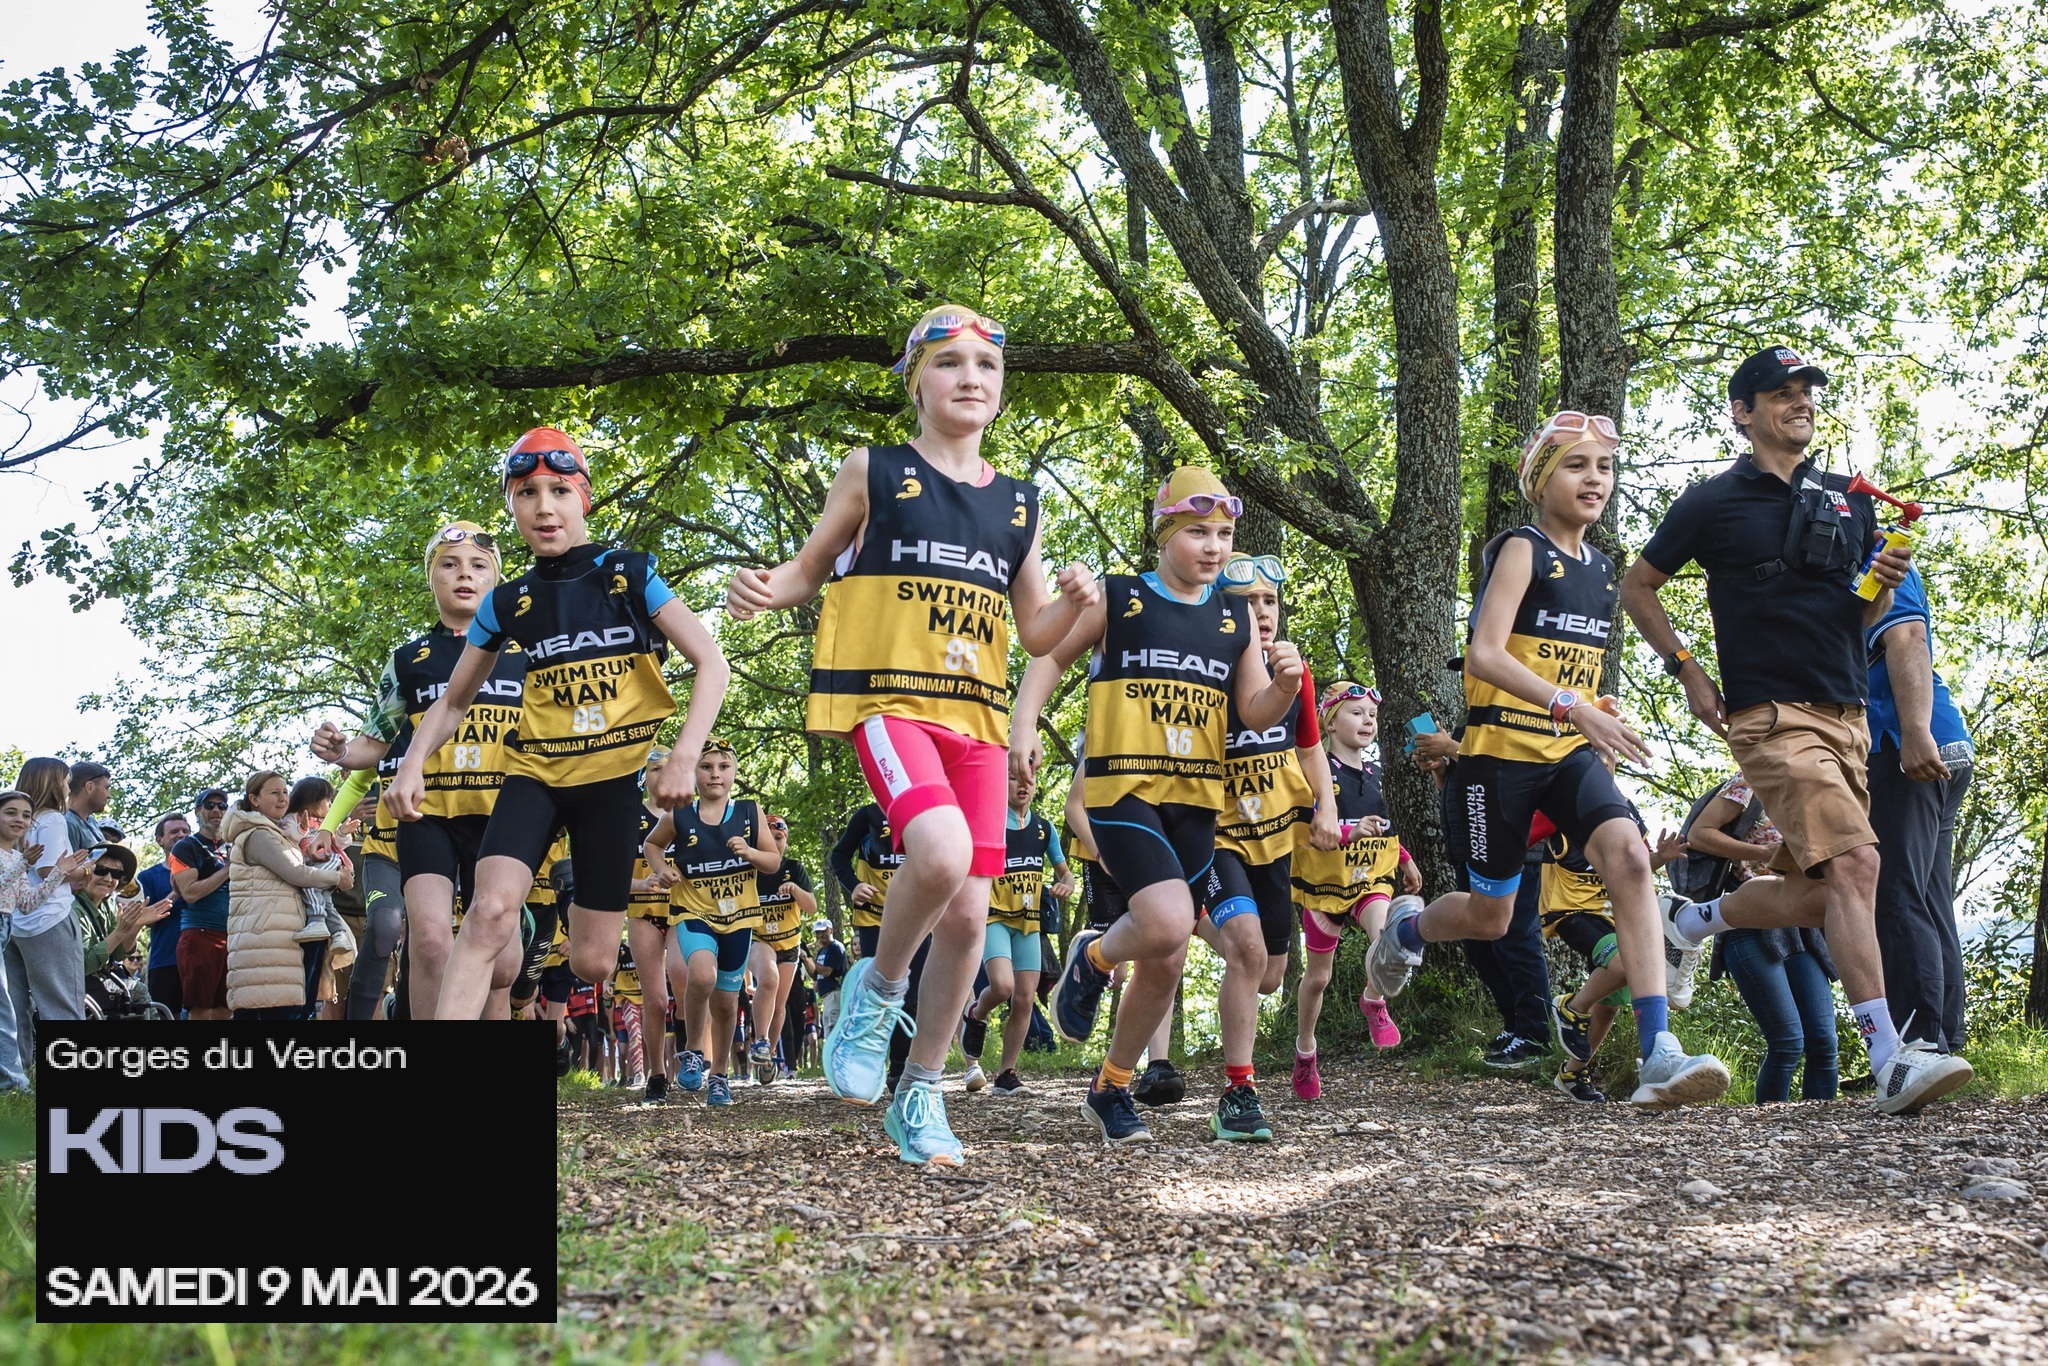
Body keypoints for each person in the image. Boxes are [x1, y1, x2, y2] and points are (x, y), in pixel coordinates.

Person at [726, 304, 1098, 1167]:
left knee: (970, 915)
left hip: (976, 721)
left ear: (1001, 392)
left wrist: (1073, 606)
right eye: (949, 363)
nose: (971, 377)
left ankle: (921, 1093)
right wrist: (762, 588)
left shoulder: (1020, 505)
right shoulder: (874, 469)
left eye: (987, 367)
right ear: (915, 383)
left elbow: (1036, 631)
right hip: (891, 705)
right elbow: (809, 569)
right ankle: (876, 986)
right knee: (934, 855)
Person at [1620, 348, 1970, 1114]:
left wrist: (1882, 577)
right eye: (1780, 394)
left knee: (1822, 897)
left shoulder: (1848, 499)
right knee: (1860, 866)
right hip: (1770, 715)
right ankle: (1890, 1060)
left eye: (1807, 392)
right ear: (1742, 412)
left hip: (1846, 717)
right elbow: (1637, 586)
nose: (1800, 403)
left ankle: (1690, 920)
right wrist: (1687, 668)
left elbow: (1864, 614)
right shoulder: (1713, 501)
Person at [1367, 415, 1730, 1108]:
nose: (1595, 479)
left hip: (1566, 755)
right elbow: (1485, 654)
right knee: (1490, 917)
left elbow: (1572, 671)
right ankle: (1406, 929)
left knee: (1626, 856)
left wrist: (1598, 711)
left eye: (1605, 468)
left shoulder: (1601, 572)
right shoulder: (1521, 550)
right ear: (1541, 480)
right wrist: (1574, 705)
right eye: (1576, 466)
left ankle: (1658, 1051)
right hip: (1498, 759)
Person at [387, 431, 730, 1018]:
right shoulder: (506, 602)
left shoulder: (628, 574)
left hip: (610, 781)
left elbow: (711, 662)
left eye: (558, 491)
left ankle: (553, 918)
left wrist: (682, 756)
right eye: (526, 493)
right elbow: (451, 702)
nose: (544, 507)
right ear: (512, 506)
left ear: (584, 499)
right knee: (488, 912)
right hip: (535, 774)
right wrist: (412, 763)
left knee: (593, 962)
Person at [1015, 467, 1303, 1144]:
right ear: (1165, 530)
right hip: (1124, 791)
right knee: (1170, 923)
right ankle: (1093, 961)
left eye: (1225, 533)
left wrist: (1286, 686)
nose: (1213, 546)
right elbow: (1049, 659)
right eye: (1198, 531)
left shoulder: (1234, 618)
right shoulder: (1120, 597)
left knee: (1168, 955)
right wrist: (1025, 726)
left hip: (1195, 804)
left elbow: (1255, 709)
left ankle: (1111, 1086)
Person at [315, 520, 531, 1019]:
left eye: (479, 567)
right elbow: (374, 743)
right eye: (449, 565)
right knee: (430, 942)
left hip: (503, 818)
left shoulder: (526, 654)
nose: (465, 575)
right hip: (424, 815)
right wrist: (339, 752)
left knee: (503, 965)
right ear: (431, 578)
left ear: (494, 580)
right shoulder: (410, 659)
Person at [1190, 552, 1339, 1140]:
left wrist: (1326, 804)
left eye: (1270, 601)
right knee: (1248, 953)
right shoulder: (1202, 670)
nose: (1262, 613)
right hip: (1218, 838)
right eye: (1247, 603)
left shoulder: (1293, 673)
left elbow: (1309, 751)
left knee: (1271, 975)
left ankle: (1192, 923)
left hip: (1276, 842)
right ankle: (1239, 1091)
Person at [1289, 683, 1424, 1099]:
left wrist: (1404, 858)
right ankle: (1306, 1051)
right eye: (1357, 713)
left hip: (1368, 880)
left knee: (1387, 938)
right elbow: (1308, 827)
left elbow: (1382, 828)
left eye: (1372, 715)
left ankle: (1373, 999)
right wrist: (1349, 831)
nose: (1368, 721)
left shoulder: (1377, 774)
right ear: (1330, 720)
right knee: (1318, 978)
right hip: (1324, 886)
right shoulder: (1316, 771)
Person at [1865, 564, 1974, 1055]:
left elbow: (1907, 635)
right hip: (1945, 743)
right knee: (1929, 898)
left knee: (1896, 894)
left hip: (1904, 744)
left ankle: (1919, 1043)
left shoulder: (1871, 550)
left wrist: (1914, 732)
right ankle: (1944, 1040)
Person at [1686, 774, 1840, 1103]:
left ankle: (1824, 1132)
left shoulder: (1817, 785)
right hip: (1749, 919)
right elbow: (1699, 834)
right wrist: (1762, 852)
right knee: (1788, 1041)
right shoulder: (1751, 781)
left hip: (1802, 926)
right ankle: (1771, 1133)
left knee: (1824, 1042)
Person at [643, 739, 779, 1106]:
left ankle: (719, 1075)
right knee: (700, 974)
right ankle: (691, 1051)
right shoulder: (680, 814)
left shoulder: (750, 812)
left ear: (734, 773)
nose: (715, 773)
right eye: (706, 766)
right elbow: (651, 846)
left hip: (738, 918)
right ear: (693, 773)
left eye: (723, 766)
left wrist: (750, 852)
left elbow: (773, 862)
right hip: (693, 911)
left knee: (725, 1002)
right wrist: (662, 869)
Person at [957, 757, 1071, 1096]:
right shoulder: (988, 822)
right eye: (1013, 778)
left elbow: (1065, 871)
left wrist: (1067, 883)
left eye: (1029, 780)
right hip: (994, 918)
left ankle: (1006, 1074)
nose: (1022, 785)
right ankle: (975, 1014)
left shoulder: (1044, 829)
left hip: (1029, 923)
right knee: (1003, 987)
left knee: (1023, 1000)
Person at [223, 771, 354, 1019]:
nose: (283, 798)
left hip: (286, 941)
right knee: (266, 1012)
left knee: (295, 1013)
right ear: (254, 799)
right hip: (265, 944)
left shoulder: (283, 834)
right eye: (274, 793)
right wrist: (338, 877)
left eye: (285, 791)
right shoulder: (258, 835)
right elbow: (297, 874)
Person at [7, 758, 93, 1071]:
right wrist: (84, 871)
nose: (68, 787)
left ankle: (18, 1077)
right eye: (65, 781)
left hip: (17, 923)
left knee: (17, 1007)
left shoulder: (17, 824)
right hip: (51, 919)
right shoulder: (53, 820)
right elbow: (48, 869)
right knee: (63, 1004)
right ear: (53, 782)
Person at [624, 748, 687, 1100]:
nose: (661, 775)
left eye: (668, 768)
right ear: (643, 777)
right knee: (656, 1000)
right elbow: (605, 876)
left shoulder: (687, 816)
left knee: (684, 978)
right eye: (654, 769)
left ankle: (691, 1057)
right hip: (642, 912)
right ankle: (657, 1075)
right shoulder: (628, 817)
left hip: (682, 911)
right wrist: (640, 884)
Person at [753, 812, 816, 1083]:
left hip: (789, 943)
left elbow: (811, 907)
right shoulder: (750, 869)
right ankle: (760, 1040)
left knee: (780, 1006)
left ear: (786, 840)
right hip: (760, 939)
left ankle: (767, 1055)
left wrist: (794, 889)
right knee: (768, 978)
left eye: (779, 838)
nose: (775, 843)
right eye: (769, 838)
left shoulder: (794, 868)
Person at [169, 787, 234, 1022]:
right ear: (197, 811)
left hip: (233, 936)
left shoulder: (233, 846)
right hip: (200, 935)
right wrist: (228, 869)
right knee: (200, 1011)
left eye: (222, 806)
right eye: (209, 805)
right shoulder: (186, 846)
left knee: (225, 1009)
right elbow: (190, 893)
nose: (216, 810)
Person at [74, 842, 172, 990]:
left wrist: (136, 924)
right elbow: (84, 966)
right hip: (78, 989)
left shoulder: (109, 905)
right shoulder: (72, 909)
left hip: (100, 984)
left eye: (116, 874)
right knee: (140, 991)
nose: (108, 879)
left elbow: (119, 953)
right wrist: (120, 931)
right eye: (100, 870)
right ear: (85, 871)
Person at [137, 812, 190, 1016]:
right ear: (160, 839)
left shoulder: (206, 873)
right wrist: (176, 892)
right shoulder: (147, 877)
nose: (181, 835)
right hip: (165, 960)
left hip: (201, 957)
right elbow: (146, 919)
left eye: (185, 831)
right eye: (174, 831)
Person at [64, 761, 112, 854]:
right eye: (106, 788)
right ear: (90, 787)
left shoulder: (91, 821)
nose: (109, 795)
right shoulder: (69, 823)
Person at [811, 917, 847, 1035]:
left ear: (831, 930)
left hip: (835, 995)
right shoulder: (822, 951)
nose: (821, 935)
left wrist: (811, 961)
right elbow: (815, 975)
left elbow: (827, 972)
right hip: (826, 998)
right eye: (818, 932)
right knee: (828, 1034)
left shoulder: (836, 947)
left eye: (823, 931)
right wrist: (806, 961)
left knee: (834, 1032)